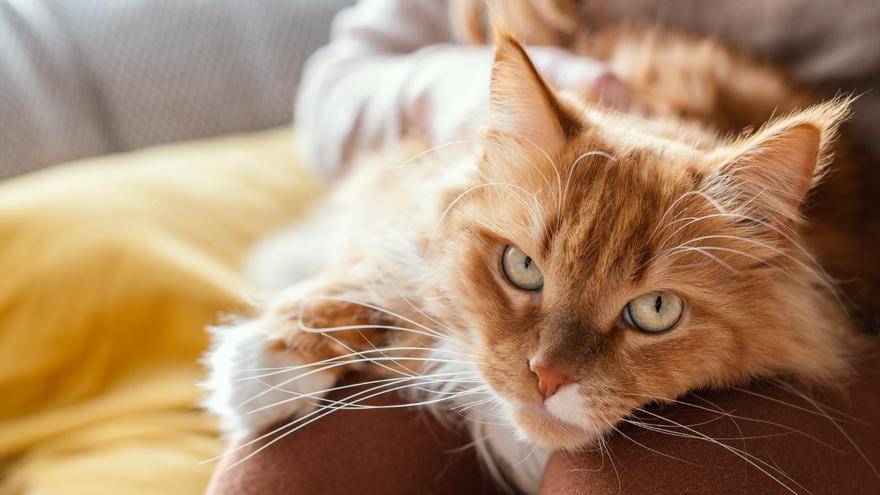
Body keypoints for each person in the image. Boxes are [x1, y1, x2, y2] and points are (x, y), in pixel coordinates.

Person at [209, 1, 880, 493]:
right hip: (541, 133)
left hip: (791, 181)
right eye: (525, 269)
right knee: (275, 473)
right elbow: (337, 89)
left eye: (647, 310)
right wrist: (467, 99)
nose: (550, 367)